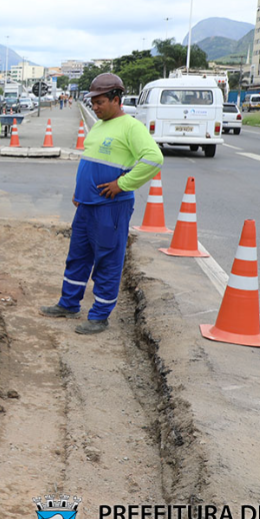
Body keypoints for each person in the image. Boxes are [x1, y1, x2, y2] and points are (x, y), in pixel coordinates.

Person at [40, 73, 163, 335]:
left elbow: (154, 158)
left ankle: (99, 316)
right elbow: (90, 160)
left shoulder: (131, 127)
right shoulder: (99, 125)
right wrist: (78, 190)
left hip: (111, 207)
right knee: (78, 256)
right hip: (86, 204)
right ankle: (69, 304)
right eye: (93, 102)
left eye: (100, 102)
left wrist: (123, 184)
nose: (94, 107)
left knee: (107, 259)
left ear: (116, 100)